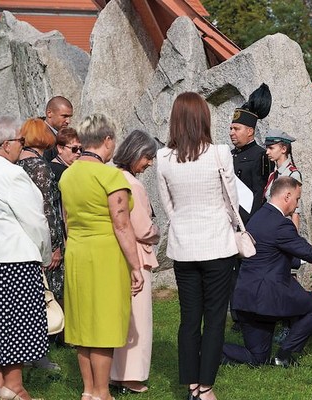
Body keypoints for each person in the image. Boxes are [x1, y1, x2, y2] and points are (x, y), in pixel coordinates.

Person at [222, 177, 312, 367]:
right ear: (287, 195)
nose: (296, 205)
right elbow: (310, 253)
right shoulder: (281, 224)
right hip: (267, 299)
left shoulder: (257, 217)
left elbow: (277, 255)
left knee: (257, 359)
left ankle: (205, 348)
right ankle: (284, 355)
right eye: (297, 199)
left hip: (246, 299)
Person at [156, 92, 238, 400]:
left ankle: (192, 385)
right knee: (215, 318)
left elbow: (169, 207)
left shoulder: (163, 158)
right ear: (204, 118)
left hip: (184, 245)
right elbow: (231, 202)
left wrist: (185, 223)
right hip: (217, 243)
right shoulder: (220, 153)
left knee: (189, 317)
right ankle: (205, 388)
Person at [60, 114, 144, 400]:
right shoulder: (110, 176)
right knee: (105, 325)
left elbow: (67, 222)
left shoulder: (68, 174)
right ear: (107, 140)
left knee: (83, 325)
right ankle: (102, 392)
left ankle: (88, 391)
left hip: (77, 253)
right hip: (106, 254)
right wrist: (136, 266)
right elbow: (122, 225)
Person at [0, 115, 51, 400]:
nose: (22, 144)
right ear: (6, 145)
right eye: (19, 140)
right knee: (18, 323)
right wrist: (44, 255)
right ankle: (16, 387)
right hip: (15, 257)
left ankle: (0, 383)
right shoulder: (13, 174)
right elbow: (35, 220)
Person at [110, 130, 160, 394]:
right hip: (137, 255)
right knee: (138, 319)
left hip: (114, 253)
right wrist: (157, 230)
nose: (149, 163)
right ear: (136, 154)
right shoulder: (134, 185)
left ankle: (115, 372)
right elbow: (142, 228)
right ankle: (131, 376)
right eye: (148, 157)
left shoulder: (111, 176)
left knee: (119, 316)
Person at [17, 117, 65, 371]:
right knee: (47, 296)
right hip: (43, 241)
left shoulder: (15, 164)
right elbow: (48, 210)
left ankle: (25, 353)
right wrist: (55, 245)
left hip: (20, 241)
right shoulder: (41, 167)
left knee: (27, 299)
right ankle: (41, 354)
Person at [229, 83, 273, 224]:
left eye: (236, 129)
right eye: (231, 128)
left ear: (250, 131)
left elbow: (259, 194)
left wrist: (250, 225)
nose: (231, 133)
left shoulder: (261, 156)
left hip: (248, 223)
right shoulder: (229, 155)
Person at [263, 129, 302, 230]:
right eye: (267, 148)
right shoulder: (272, 175)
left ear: (283, 149)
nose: (267, 152)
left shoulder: (293, 174)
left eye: (271, 148)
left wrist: (293, 240)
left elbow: (295, 213)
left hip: (282, 229)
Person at [43, 96, 73, 162]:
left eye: (70, 117)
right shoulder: (40, 137)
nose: (68, 121)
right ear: (49, 113)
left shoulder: (60, 134)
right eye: (64, 116)